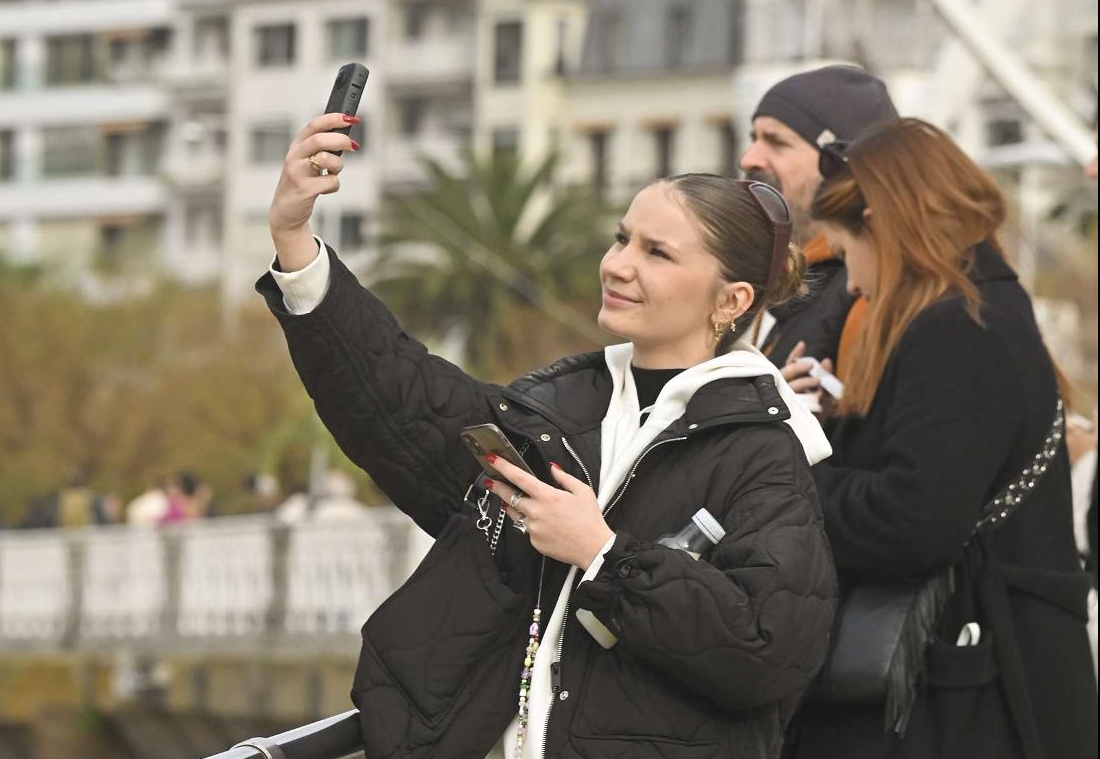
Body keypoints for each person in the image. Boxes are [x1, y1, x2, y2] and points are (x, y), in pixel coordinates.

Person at [261, 112, 838, 758]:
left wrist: (602, 554)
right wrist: (294, 240)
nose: (618, 265)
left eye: (656, 253)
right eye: (621, 239)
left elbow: (768, 650)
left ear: (731, 301)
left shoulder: (763, 451)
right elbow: (402, 399)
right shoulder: (556, 408)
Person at [783, 118, 1097, 759]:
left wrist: (791, 474)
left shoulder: (957, 328)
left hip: (968, 692)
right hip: (994, 674)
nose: (852, 284)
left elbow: (912, 520)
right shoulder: (983, 309)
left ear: (884, 221)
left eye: (847, 252)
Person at [740, 64, 898, 371]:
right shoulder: (771, 276)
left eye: (776, 142)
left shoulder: (867, 289)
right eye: (754, 138)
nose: (748, 159)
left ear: (838, 166)